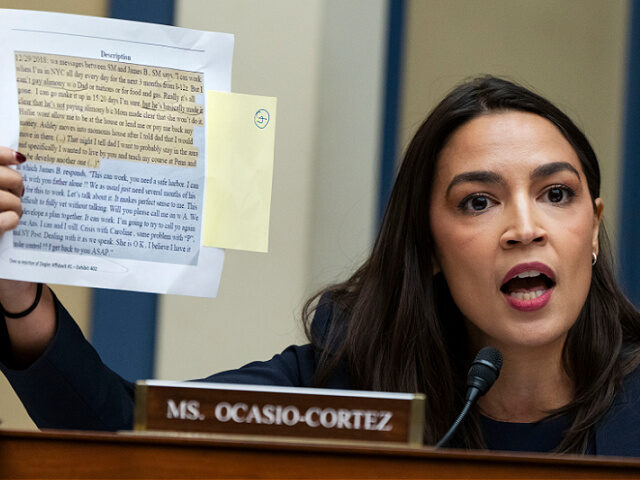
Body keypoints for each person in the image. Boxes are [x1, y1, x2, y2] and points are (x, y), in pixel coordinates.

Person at [1, 76, 640, 455]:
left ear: (593, 227)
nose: (526, 228)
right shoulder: (346, 382)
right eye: (478, 201)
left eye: (557, 194)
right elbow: (123, 438)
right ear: (430, 249)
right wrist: (15, 288)